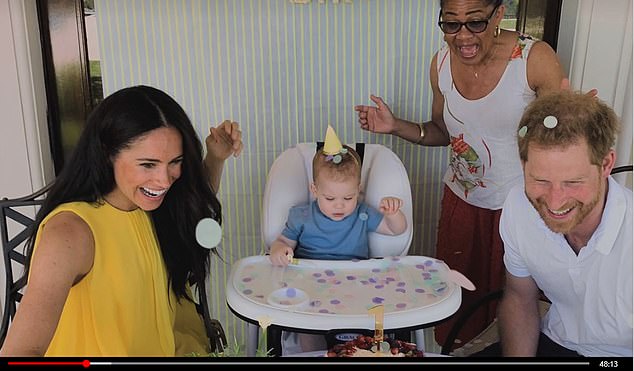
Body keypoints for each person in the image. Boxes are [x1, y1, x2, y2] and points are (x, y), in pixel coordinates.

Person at [353, 0, 565, 347]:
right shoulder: (440, 65)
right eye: (451, 24)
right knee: (459, 309)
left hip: (523, 209)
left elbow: (559, 138)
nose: (462, 35)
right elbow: (442, 131)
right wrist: (395, 126)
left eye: (475, 22)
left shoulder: (534, 60)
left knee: (520, 308)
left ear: (498, 14)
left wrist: (574, 121)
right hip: (462, 205)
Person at [0, 85, 243, 356]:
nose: (164, 180)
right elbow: (19, 353)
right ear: (108, 153)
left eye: (175, 161)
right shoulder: (70, 232)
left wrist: (216, 158)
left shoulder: (148, 205)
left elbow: (193, 201)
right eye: (148, 164)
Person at [493, 90, 632, 357]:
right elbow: (520, 298)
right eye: (541, 180)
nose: (555, 202)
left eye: (573, 182)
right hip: (558, 342)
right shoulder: (518, 205)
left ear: (606, 164)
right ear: (523, 165)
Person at [268, 126, 407, 353]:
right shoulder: (301, 216)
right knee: (306, 324)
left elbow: (396, 230)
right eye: (330, 198)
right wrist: (279, 251)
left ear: (358, 190)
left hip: (355, 284)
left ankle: (354, 350)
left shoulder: (363, 214)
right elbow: (282, 242)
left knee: (367, 321)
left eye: (348, 197)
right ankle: (314, 354)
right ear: (314, 190)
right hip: (310, 284)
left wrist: (393, 214)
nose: (340, 205)